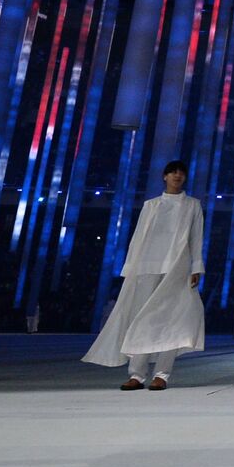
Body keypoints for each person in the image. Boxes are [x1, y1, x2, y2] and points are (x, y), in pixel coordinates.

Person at [82, 160, 205, 391]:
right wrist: (130, 268)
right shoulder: (151, 205)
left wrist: (196, 267)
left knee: (172, 319)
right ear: (164, 177)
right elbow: (139, 237)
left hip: (177, 267)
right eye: (173, 173)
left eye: (181, 173)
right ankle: (137, 375)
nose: (177, 176)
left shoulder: (192, 205)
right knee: (141, 317)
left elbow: (196, 237)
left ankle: (162, 374)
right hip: (147, 266)